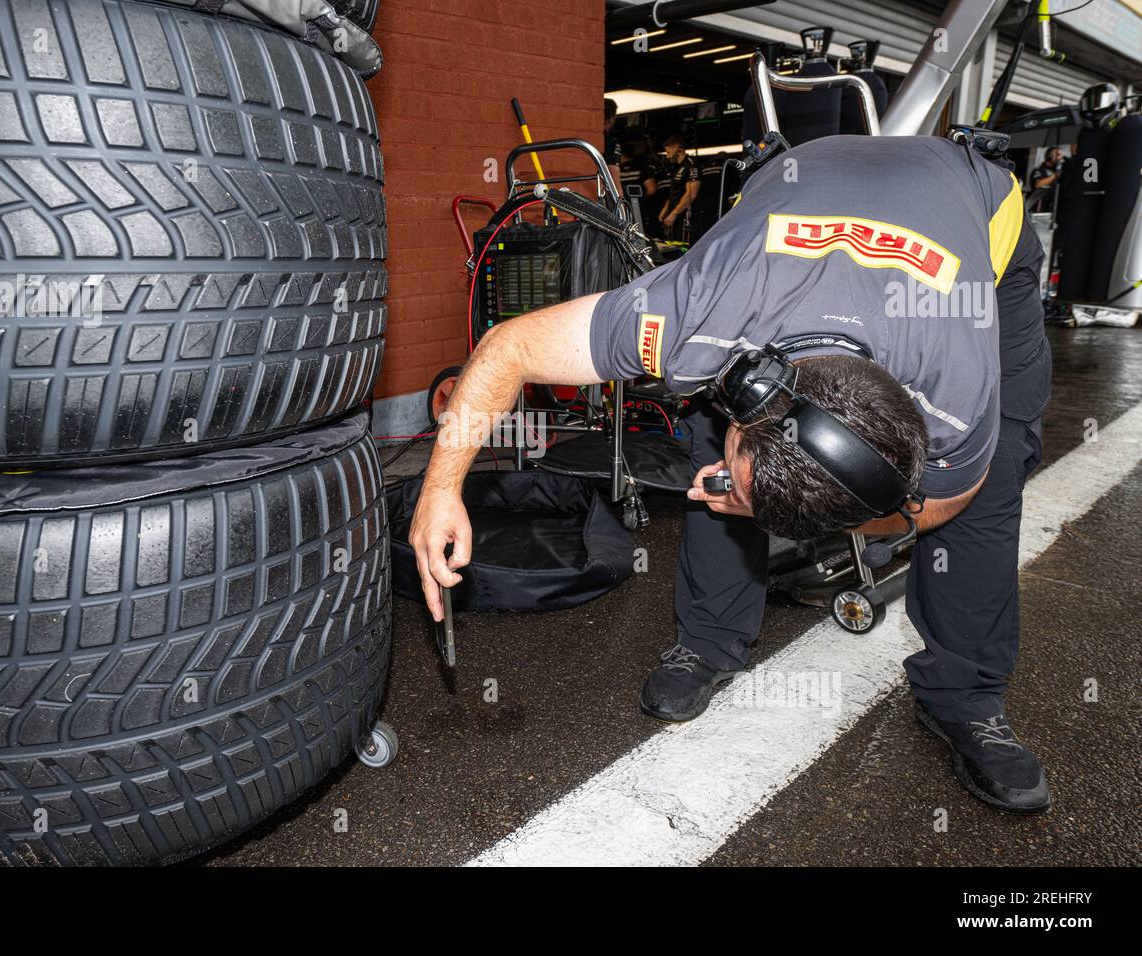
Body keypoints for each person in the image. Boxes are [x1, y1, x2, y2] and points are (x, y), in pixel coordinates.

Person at [409, 134, 1054, 814]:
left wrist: (776, 497)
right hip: (798, 192)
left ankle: (966, 696)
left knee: (994, 477)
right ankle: (709, 642)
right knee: (707, 455)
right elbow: (508, 348)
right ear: (752, 388)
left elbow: (942, 505)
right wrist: (440, 487)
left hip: (977, 213)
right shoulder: (694, 315)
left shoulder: (955, 384)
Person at [658, 134, 700, 242]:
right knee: (673, 248)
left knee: (683, 250)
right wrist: (665, 209)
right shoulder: (676, 168)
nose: (667, 156)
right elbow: (674, 192)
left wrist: (673, 214)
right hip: (675, 218)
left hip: (686, 217)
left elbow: (691, 194)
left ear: (676, 147)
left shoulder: (691, 165)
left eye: (668, 152)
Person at [1026, 146, 1063, 212]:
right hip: (1039, 207)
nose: (1059, 157)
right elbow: (1038, 184)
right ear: (1049, 156)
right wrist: (1055, 176)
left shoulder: (1057, 170)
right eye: (1057, 154)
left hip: (1053, 207)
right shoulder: (1039, 169)